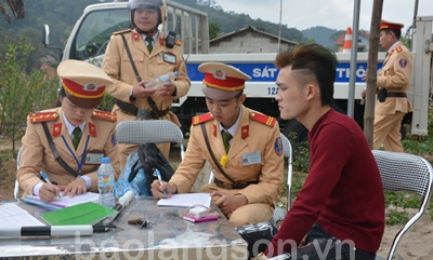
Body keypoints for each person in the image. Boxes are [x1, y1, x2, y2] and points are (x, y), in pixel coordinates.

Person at [259, 44, 385, 260]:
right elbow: (315, 204)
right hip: (324, 229)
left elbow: (309, 203)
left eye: (282, 88)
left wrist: (268, 256)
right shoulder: (320, 128)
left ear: (309, 91)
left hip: (352, 243)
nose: (277, 96)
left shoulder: (336, 131)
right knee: (238, 238)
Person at [151, 62, 284, 227]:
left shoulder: (265, 128)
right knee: (181, 217)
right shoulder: (202, 127)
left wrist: (240, 199)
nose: (215, 109)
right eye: (210, 101)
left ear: (241, 99)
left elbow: (272, 183)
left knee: (239, 221)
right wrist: (171, 185)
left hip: (254, 198)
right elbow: (187, 171)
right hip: (217, 193)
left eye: (224, 104)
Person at [102, 0, 191, 168]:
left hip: (159, 121)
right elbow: (107, 79)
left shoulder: (173, 45)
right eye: (139, 11)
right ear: (132, 15)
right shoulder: (119, 41)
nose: (143, 15)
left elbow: (184, 82)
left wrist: (174, 89)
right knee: (124, 176)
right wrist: (132, 91)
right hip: (126, 121)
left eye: (150, 11)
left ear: (160, 15)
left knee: (157, 179)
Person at [17, 60, 120, 203]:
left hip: (90, 200)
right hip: (51, 200)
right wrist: (39, 188)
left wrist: (86, 181)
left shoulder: (106, 125)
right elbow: (26, 171)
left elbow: (114, 169)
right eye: (72, 106)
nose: (79, 113)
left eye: (87, 109)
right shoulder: (41, 124)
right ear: (61, 98)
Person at [362, 19, 413, 152]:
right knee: (392, 144)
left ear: (391, 34)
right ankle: (401, 171)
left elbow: (402, 80)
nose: (379, 39)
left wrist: (374, 80)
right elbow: (389, 80)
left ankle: (360, 169)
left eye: (381, 35)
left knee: (370, 137)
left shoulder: (401, 53)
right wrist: (373, 89)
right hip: (391, 103)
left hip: (391, 105)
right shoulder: (394, 53)